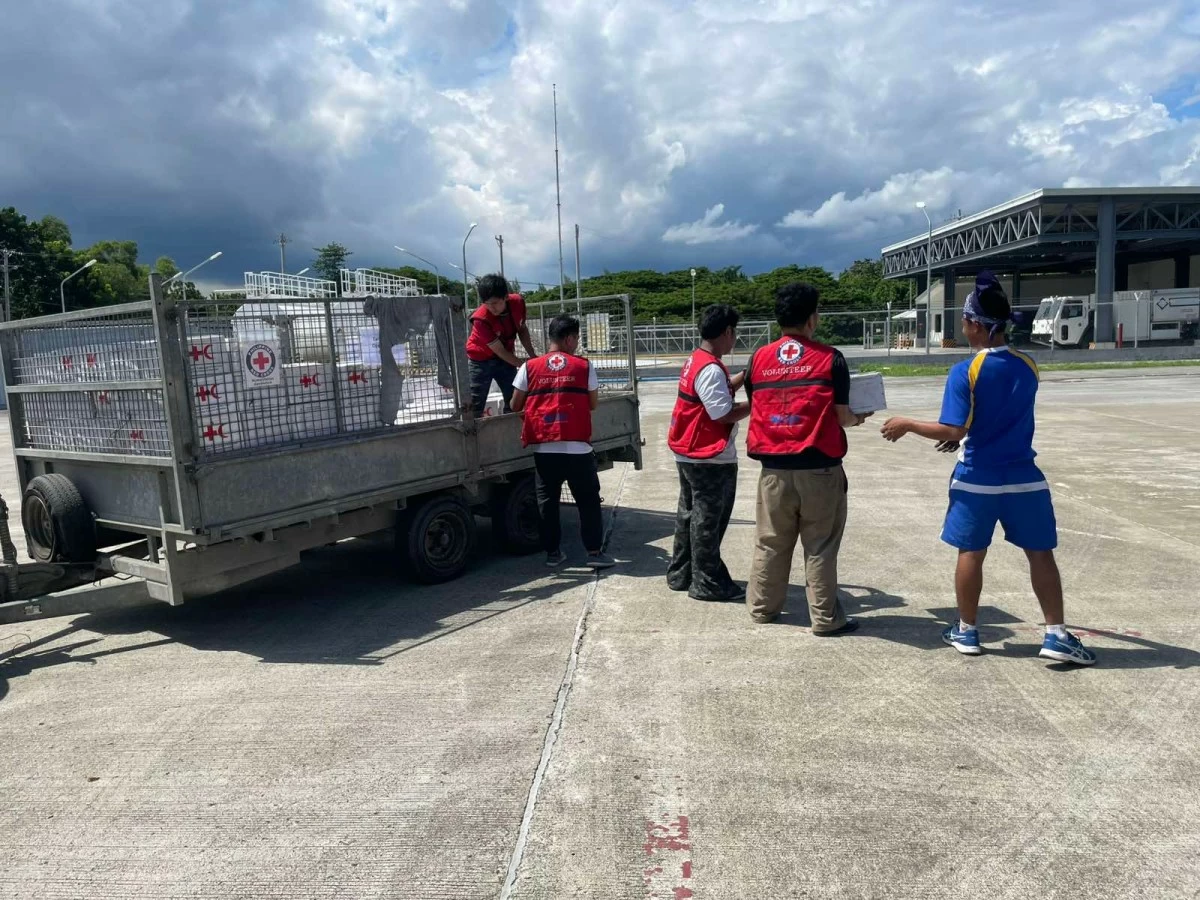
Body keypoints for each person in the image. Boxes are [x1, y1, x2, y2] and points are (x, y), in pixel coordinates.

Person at [880, 272, 1096, 665]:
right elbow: (995, 417)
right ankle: (1056, 634)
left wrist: (908, 424)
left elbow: (954, 428)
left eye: (964, 321)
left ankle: (966, 629)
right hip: (1024, 478)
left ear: (976, 325)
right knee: (1041, 555)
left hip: (978, 478)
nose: (961, 328)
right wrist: (964, 431)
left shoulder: (966, 371)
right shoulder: (1027, 365)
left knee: (971, 553)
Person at [744, 282, 870, 631]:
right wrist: (859, 418)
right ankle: (825, 619)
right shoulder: (831, 359)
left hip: (773, 470)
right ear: (812, 318)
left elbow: (757, 405)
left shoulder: (758, 360)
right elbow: (842, 416)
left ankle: (762, 609)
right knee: (820, 546)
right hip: (820, 470)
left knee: (770, 543)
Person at [511, 315, 616, 570]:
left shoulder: (529, 367)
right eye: (577, 338)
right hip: (578, 446)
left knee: (547, 502)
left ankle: (553, 554)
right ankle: (593, 552)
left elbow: (515, 404)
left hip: (545, 447)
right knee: (588, 501)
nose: (577, 343)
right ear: (569, 338)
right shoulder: (583, 366)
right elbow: (592, 404)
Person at [666, 304, 750, 602]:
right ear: (727, 332)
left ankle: (681, 573)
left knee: (689, 515)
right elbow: (722, 413)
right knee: (708, 521)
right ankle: (708, 582)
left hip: (688, 450)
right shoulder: (712, 368)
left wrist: (742, 377)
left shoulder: (697, 360)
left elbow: (715, 393)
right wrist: (758, 402)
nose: (735, 339)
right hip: (709, 457)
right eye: (734, 333)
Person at [464, 274, 536, 416]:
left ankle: (510, 431)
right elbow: (500, 351)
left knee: (514, 399)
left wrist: (533, 356)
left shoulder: (518, 303)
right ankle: (473, 436)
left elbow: (522, 329)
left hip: (506, 358)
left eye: (495, 303)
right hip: (480, 360)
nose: (492, 308)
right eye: (487, 303)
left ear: (506, 297)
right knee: (475, 403)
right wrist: (525, 366)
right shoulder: (480, 319)